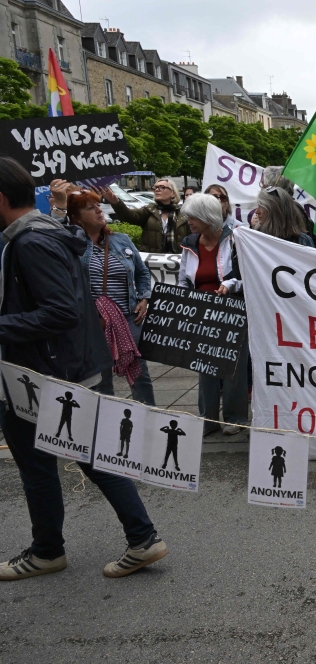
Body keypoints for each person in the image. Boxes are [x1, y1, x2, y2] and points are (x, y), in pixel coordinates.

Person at [0, 157, 167, 580]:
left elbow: (60, 312)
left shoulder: (31, 242)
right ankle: (141, 537)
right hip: (69, 367)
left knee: (42, 464)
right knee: (93, 455)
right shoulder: (48, 231)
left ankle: (49, 550)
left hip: (45, 374)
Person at [67, 189, 155, 405]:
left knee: (140, 374)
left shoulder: (121, 240)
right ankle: (106, 422)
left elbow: (142, 272)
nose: (99, 210)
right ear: (77, 217)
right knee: (101, 377)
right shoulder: (73, 245)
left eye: (98, 205)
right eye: (91, 208)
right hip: (96, 322)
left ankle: (150, 417)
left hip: (129, 318)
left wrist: (144, 298)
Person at [178, 193, 248, 436]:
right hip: (201, 313)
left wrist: (230, 285)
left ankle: (235, 418)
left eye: (194, 216)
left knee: (233, 368)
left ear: (208, 217)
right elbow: (184, 278)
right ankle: (207, 419)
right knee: (204, 366)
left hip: (231, 310)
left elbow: (245, 275)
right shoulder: (189, 242)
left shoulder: (235, 240)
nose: (189, 220)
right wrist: (182, 298)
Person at [100, 179, 187, 253]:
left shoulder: (183, 214)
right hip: (153, 262)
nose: (157, 190)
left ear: (173, 193)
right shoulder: (149, 210)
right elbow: (129, 216)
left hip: (177, 262)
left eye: (162, 187)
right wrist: (115, 202)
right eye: (155, 187)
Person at [260, 166, 316, 250]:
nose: (261, 189)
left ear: (272, 188)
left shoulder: (290, 213)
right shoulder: (296, 210)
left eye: (263, 185)